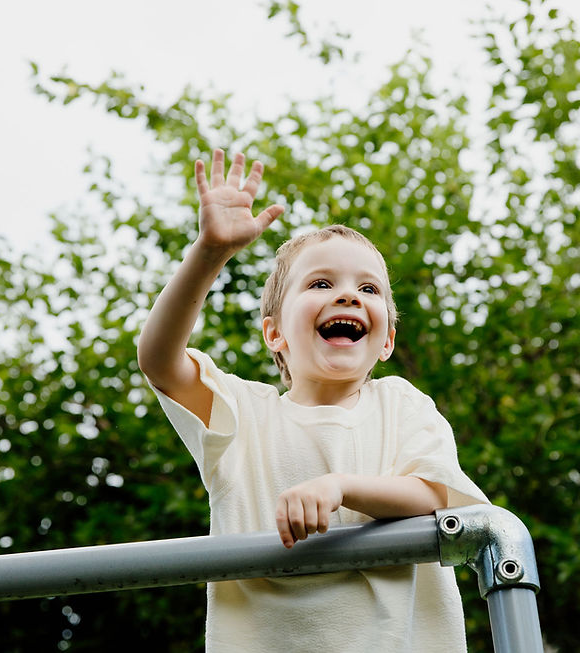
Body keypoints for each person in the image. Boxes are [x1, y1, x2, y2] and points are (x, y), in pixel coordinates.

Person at [138, 148, 488, 652]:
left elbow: (434, 496)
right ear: (275, 333)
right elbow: (159, 360)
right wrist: (209, 253)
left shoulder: (401, 405)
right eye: (321, 283)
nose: (348, 296)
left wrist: (339, 487)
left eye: (368, 288)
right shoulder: (244, 417)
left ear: (386, 339)